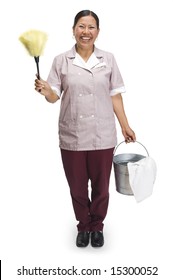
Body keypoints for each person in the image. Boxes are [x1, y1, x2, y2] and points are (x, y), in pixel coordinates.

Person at [34, 10, 136, 248]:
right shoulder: (61, 60)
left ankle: (97, 226)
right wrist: (45, 90)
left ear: (98, 32)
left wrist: (125, 126)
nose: (86, 32)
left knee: (101, 187)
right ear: (73, 30)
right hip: (73, 134)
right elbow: (53, 97)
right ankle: (83, 225)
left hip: (103, 134)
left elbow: (115, 96)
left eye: (91, 27)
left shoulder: (108, 59)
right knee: (77, 186)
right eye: (81, 26)